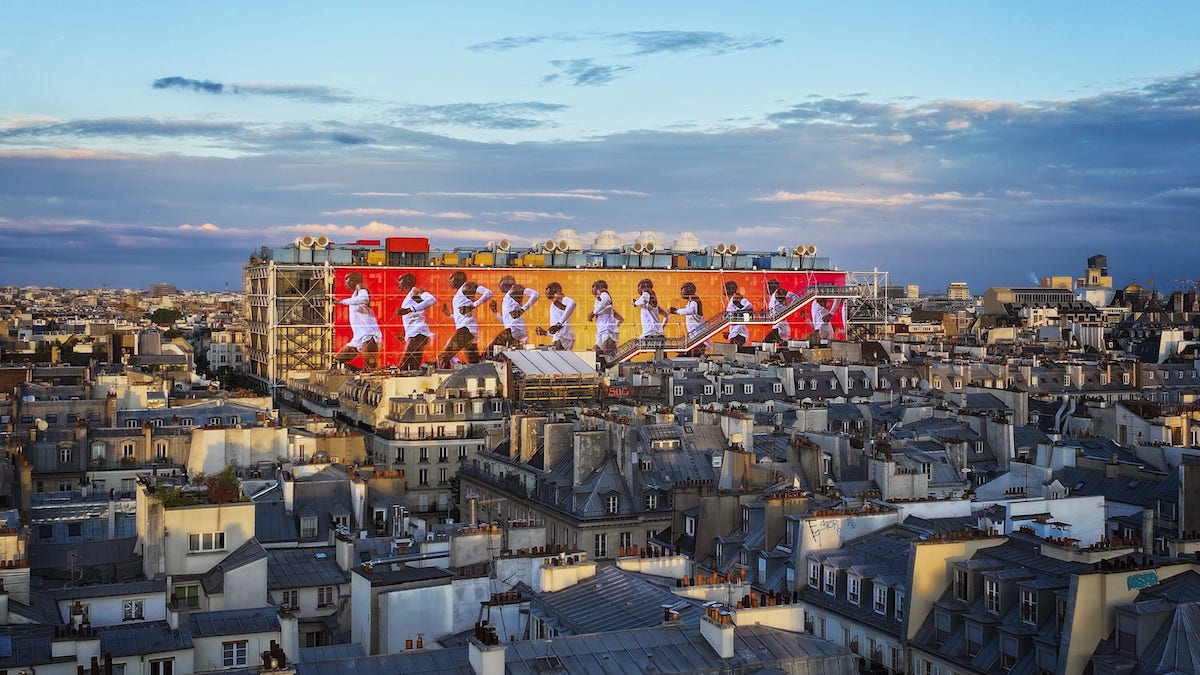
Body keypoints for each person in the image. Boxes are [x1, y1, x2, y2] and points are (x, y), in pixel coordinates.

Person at [436, 270, 492, 369]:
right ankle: (480, 377)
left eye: (451, 278)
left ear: (458, 278)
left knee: (444, 356)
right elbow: (461, 316)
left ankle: (444, 376)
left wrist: (472, 306)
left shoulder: (466, 286)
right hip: (469, 330)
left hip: (466, 330)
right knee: (474, 362)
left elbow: (488, 293)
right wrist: (449, 315)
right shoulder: (460, 293)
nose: (449, 281)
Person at [334, 271, 382, 370]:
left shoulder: (362, 289)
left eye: (347, 280)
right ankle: (355, 372)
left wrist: (342, 302)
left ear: (354, 280)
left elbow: (364, 299)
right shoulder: (355, 294)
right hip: (357, 338)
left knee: (370, 367)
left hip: (368, 335)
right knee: (337, 360)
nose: (345, 283)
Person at [393, 273, 436, 370]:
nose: (399, 286)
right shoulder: (411, 296)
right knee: (413, 366)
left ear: (408, 280)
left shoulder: (415, 291)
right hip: (415, 333)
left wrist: (409, 310)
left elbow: (432, 300)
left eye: (400, 282)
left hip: (417, 333)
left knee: (403, 364)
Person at [487, 275, 539, 351]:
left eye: (500, 282)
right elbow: (505, 321)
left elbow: (536, 294)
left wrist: (522, 310)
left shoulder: (514, 289)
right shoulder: (507, 297)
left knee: (491, 349)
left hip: (515, 327)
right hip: (513, 329)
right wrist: (495, 312)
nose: (499, 285)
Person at [668, 281, 708, 356]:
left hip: (698, 336)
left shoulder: (694, 300)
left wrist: (676, 311)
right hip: (695, 336)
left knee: (693, 356)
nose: (681, 293)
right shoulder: (691, 301)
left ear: (688, 291)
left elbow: (692, 310)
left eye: (682, 291)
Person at [535, 281, 577, 350]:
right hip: (560, 336)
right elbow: (556, 328)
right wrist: (546, 333)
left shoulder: (561, 300)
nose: (545, 292)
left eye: (548, 290)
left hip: (563, 337)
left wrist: (559, 324)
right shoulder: (554, 303)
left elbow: (572, 303)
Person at [587, 279, 623, 358]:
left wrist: (593, 313)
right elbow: (621, 319)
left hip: (607, 330)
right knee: (596, 352)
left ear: (598, 288)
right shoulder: (600, 300)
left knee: (607, 355)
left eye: (593, 288)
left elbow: (606, 300)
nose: (592, 291)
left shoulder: (604, 294)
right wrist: (615, 326)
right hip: (602, 330)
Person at [764, 278, 801, 345]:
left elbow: (795, 297)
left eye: (769, 286)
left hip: (780, 325)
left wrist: (790, 306)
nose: (767, 288)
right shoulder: (772, 296)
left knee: (767, 341)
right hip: (777, 324)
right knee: (776, 344)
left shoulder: (779, 292)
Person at [723, 280, 752, 348]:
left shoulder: (736, 298)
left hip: (739, 334)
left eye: (724, 289)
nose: (723, 291)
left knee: (731, 350)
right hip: (736, 333)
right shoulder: (732, 300)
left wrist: (738, 313)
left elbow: (749, 309)